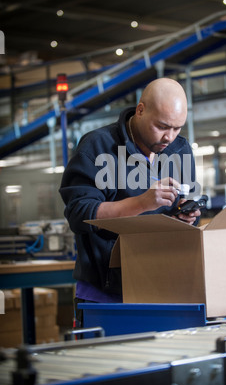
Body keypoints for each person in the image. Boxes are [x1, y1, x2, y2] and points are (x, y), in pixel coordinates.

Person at [59, 77, 201, 319]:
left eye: (177, 128)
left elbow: (187, 208)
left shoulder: (180, 150)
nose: (169, 137)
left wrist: (187, 217)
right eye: (162, 126)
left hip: (165, 287)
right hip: (106, 295)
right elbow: (80, 215)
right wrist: (142, 203)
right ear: (140, 110)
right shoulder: (98, 147)